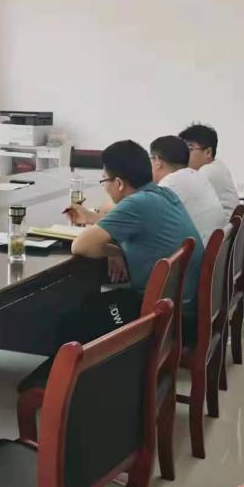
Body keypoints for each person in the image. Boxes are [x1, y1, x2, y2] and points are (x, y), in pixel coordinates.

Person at [62, 140, 203, 344]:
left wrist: (116, 252)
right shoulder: (162, 193)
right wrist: (118, 248)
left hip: (167, 319)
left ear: (119, 183)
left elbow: (81, 245)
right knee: (91, 305)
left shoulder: (137, 203)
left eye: (104, 181)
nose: (105, 188)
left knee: (70, 321)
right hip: (182, 309)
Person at [150, 135, 227, 242]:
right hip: (216, 247)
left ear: (158, 161)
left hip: (199, 249)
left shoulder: (167, 186)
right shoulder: (198, 176)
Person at [179, 122, 240, 212]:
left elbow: (181, 201)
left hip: (221, 221)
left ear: (208, 152)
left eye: (190, 149)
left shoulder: (207, 173)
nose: (184, 154)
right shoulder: (217, 165)